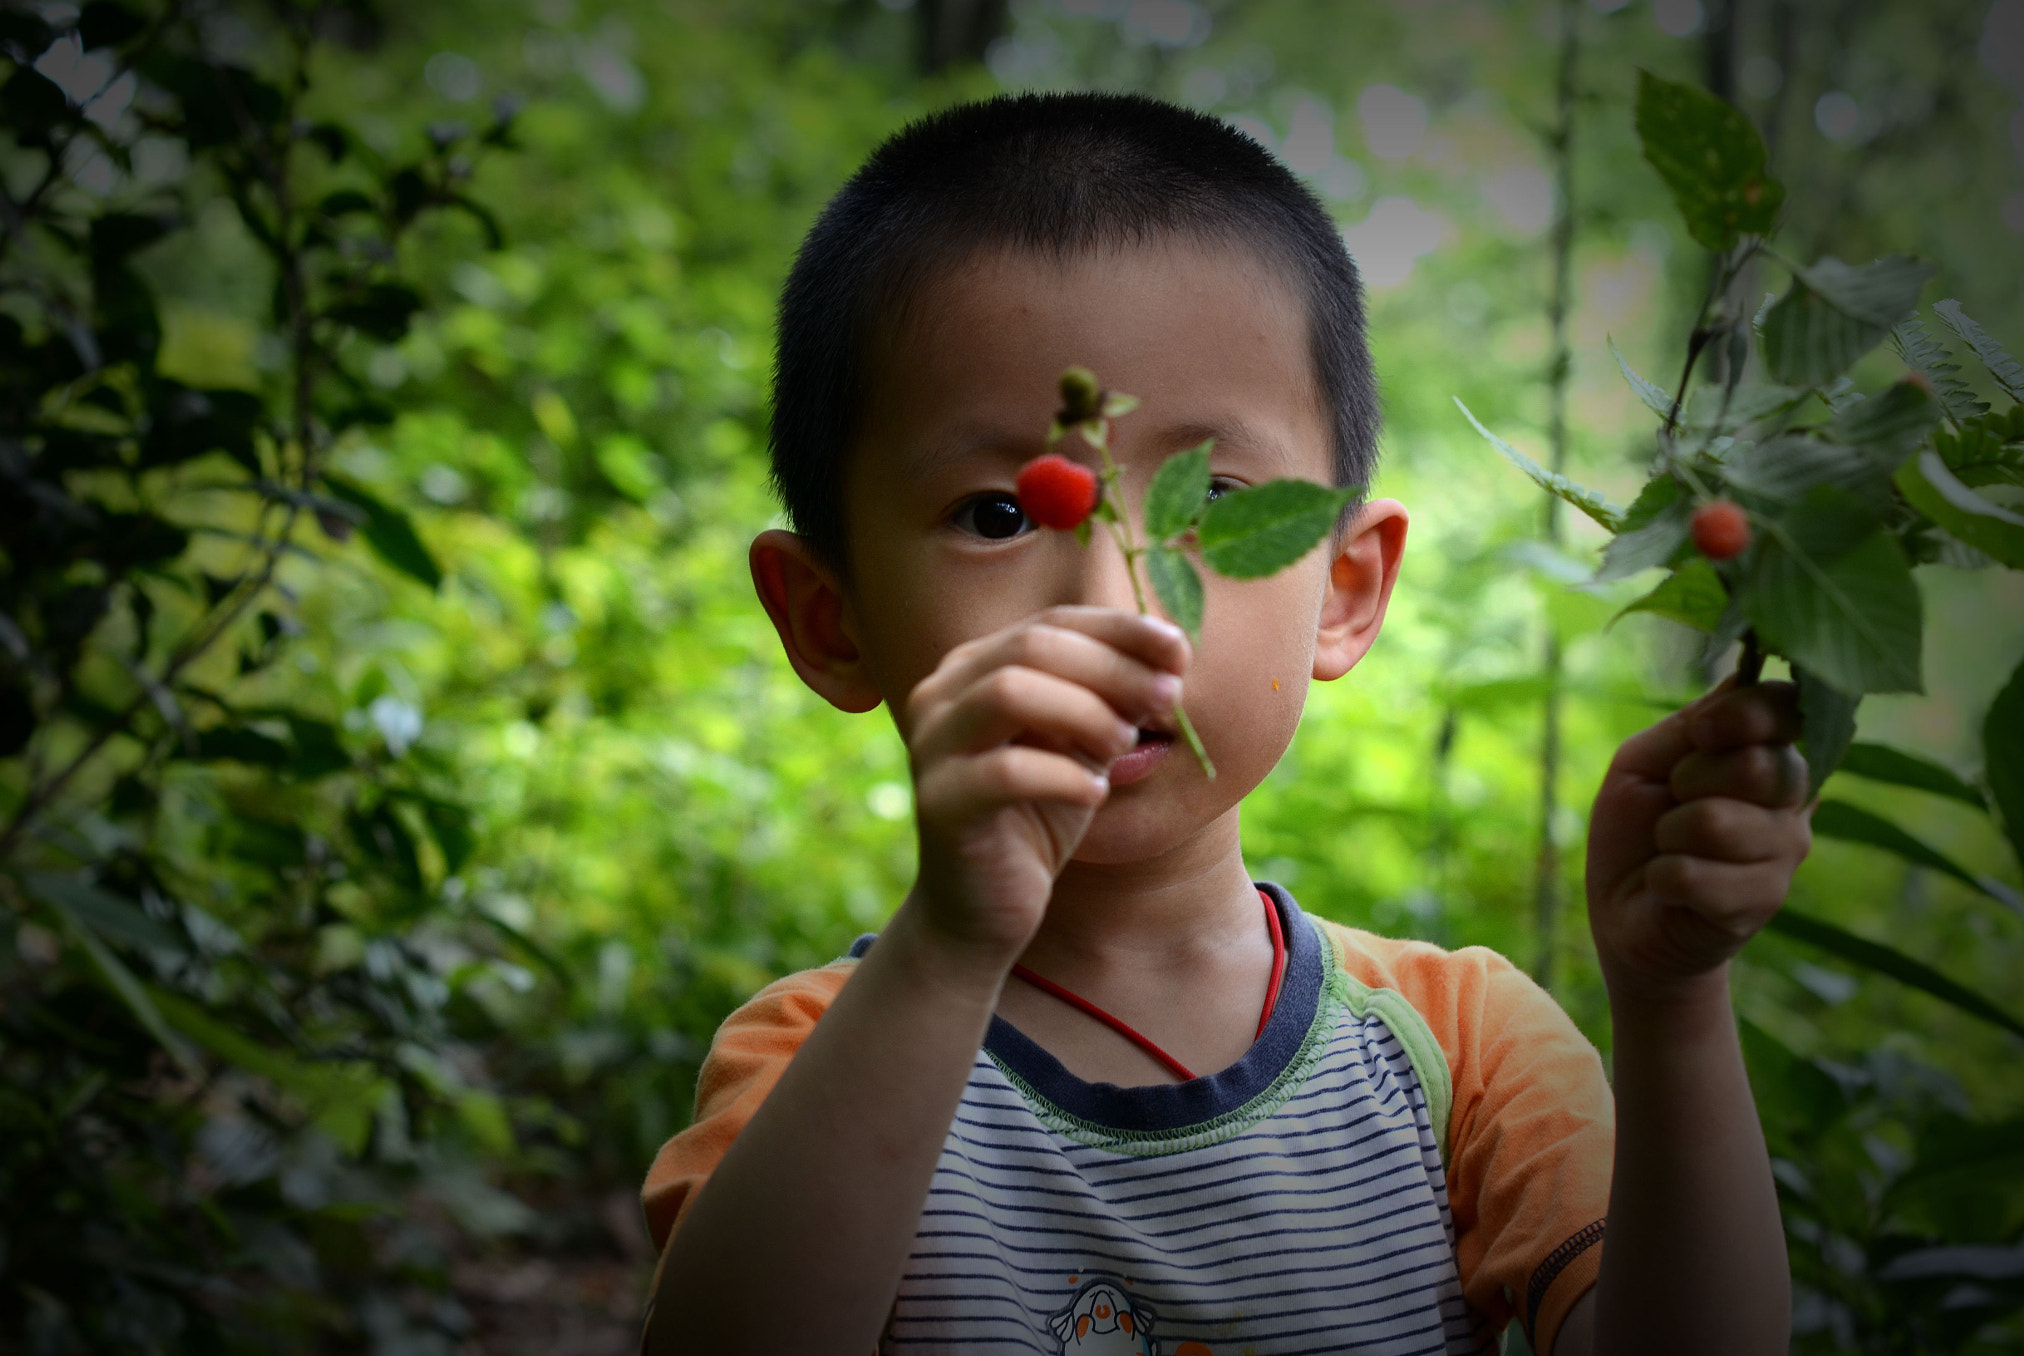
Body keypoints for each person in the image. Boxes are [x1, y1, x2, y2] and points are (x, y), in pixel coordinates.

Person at [639, 91, 1809, 1356]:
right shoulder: (808, 1063)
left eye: (1214, 501)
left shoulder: (1461, 1052)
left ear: (1342, 590)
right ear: (829, 620)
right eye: (998, 514)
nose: (1116, 600)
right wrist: (943, 950)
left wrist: (1673, 1007)